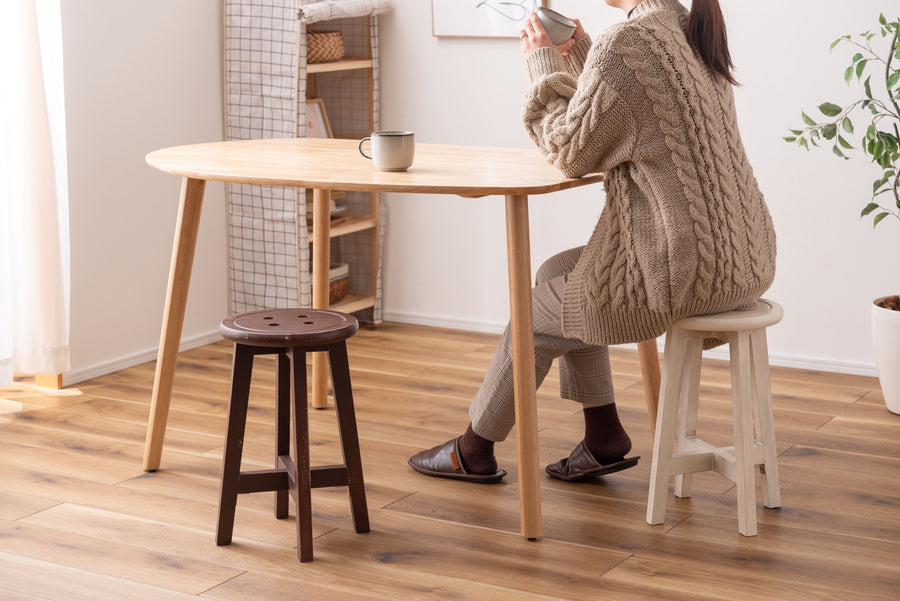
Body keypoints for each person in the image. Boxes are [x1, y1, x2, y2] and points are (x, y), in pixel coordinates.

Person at [409, 0, 776, 483]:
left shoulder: (625, 42)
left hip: (680, 269)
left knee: (537, 310)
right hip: (740, 257)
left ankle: (473, 447)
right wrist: (580, 52)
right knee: (558, 274)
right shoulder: (686, 26)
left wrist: (542, 65)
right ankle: (603, 436)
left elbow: (568, 151)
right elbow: (631, 112)